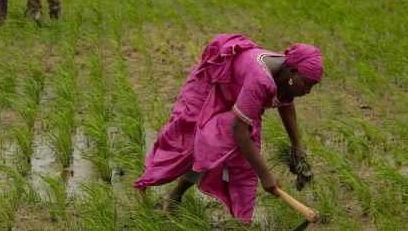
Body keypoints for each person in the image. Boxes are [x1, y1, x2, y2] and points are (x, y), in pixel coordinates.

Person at [134, 34, 322, 224]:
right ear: (292, 72)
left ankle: (240, 221)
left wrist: (297, 145)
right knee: (192, 143)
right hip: (210, 88)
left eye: (312, 86)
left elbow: (285, 102)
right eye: (307, 84)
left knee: (233, 156)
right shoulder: (261, 78)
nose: (308, 91)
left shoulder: (283, 74)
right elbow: (239, 131)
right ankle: (175, 194)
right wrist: (266, 176)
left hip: (236, 98)